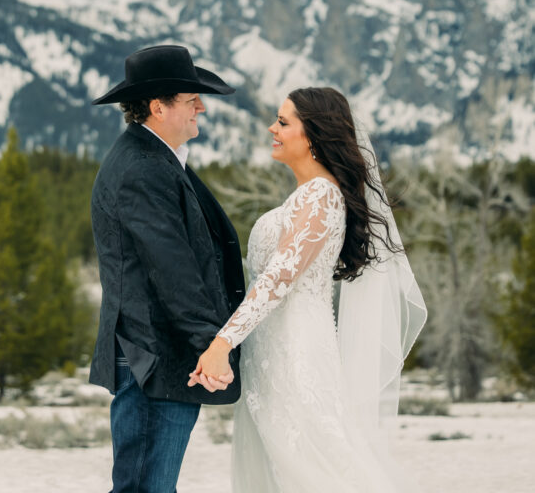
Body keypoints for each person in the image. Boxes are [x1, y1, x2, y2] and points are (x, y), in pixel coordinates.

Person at [189, 86, 427, 493]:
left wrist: (222, 343)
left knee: (317, 467)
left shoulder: (321, 196)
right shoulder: (305, 196)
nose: (272, 128)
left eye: (283, 122)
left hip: (296, 355)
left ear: (314, 136)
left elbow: (277, 280)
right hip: (270, 355)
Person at [90, 44, 246, 493]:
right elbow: (173, 270)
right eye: (191, 99)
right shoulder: (143, 168)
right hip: (153, 358)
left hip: (158, 355)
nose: (201, 107)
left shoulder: (154, 159)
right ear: (158, 107)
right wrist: (211, 346)